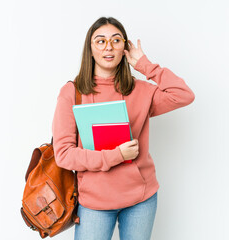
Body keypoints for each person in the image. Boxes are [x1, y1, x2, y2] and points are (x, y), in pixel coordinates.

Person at [52, 16, 195, 240]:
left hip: (141, 199)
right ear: (90, 50)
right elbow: (63, 155)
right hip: (94, 203)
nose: (108, 47)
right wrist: (116, 155)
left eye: (116, 40)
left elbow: (184, 95)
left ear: (124, 48)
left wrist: (144, 65)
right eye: (100, 41)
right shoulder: (72, 93)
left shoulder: (141, 91)